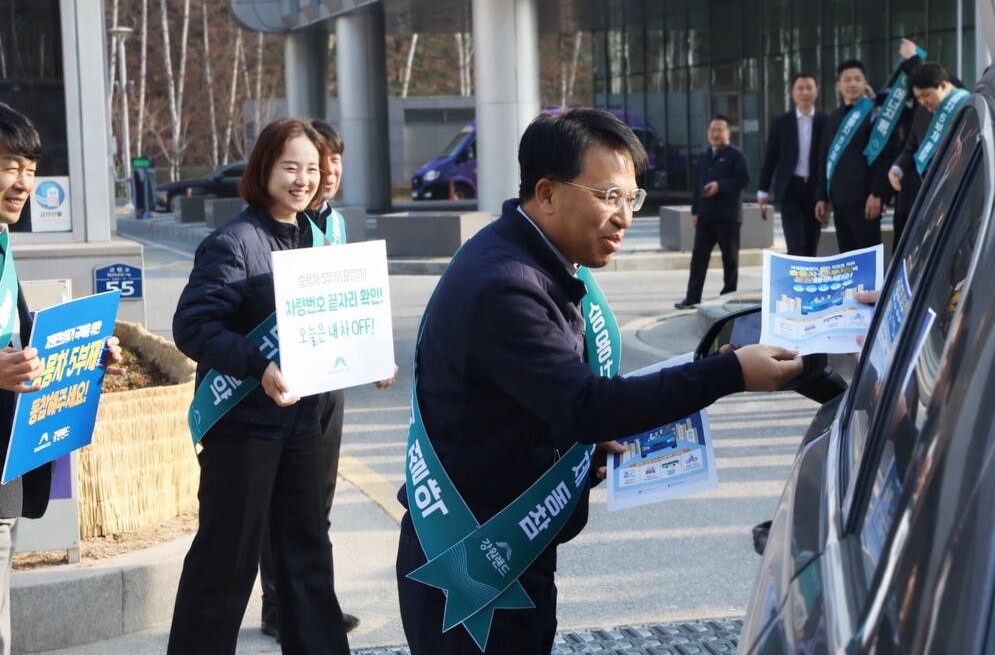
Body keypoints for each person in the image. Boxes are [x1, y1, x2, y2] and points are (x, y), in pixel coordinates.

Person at [396, 108, 802, 655]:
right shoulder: (506, 284)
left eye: (630, 199)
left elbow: (540, 402)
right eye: (608, 196)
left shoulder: (533, 257)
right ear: (547, 193)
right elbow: (586, 404)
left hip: (507, 547)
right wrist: (731, 371)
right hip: (471, 561)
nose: (624, 217)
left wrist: (578, 450)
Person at [168, 118, 350, 655]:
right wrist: (256, 365)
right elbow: (194, 326)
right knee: (226, 560)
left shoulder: (311, 238)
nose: (303, 179)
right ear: (264, 169)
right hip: (243, 427)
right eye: (290, 167)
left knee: (307, 556)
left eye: (312, 169)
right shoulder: (234, 242)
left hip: (298, 425)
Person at [256, 119, 397, 641]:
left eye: (329, 164)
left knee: (319, 498)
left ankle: (313, 599)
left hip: (326, 385)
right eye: (312, 164)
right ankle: (279, 605)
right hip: (285, 382)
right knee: (284, 502)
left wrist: (373, 354)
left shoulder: (331, 225)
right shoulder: (275, 229)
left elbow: (348, 304)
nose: (325, 174)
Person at [0, 102, 123, 655]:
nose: (23, 182)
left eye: (29, 167)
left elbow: (23, 337)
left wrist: (87, 350)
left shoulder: (4, 246)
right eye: (8, 165)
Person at [814, 60, 891, 253]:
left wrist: (877, 193)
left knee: (868, 258)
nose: (852, 84)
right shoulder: (834, 117)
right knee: (847, 258)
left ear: (866, 83)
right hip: (839, 199)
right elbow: (824, 158)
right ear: (838, 85)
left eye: (857, 79)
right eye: (847, 80)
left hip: (866, 200)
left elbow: (883, 156)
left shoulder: (874, 113)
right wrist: (821, 196)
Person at [887, 62, 968, 242]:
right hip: (928, 197)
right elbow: (912, 147)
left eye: (926, 95)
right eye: (918, 97)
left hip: (956, 198)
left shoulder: (966, 107)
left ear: (943, 86)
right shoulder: (922, 112)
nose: (923, 101)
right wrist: (897, 168)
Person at [675, 114, 749, 309]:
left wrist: (720, 186)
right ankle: (692, 297)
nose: (715, 134)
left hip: (728, 217)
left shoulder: (735, 155)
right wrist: (695, 211)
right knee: (698, 258)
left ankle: (729, 297)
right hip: (705, 217)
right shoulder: (703, 157)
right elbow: (697, 187)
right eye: (712, 130)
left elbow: (743, 179)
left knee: (730, 259)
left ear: (728, 133)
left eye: (720, 130)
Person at [757, 73, 827, 256]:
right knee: (796, 243)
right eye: (800, 88)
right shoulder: (781, 122)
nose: (805, 92)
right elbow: (771, 157)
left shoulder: (825, 121)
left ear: (816, 92)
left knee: (812, 242)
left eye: (809, 88)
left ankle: (808, 282)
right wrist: (762, 191)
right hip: (790, 189)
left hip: (815, 189)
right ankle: (796, 282)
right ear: (792, 93)